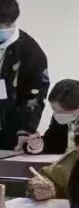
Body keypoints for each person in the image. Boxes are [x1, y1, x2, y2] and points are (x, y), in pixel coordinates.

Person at [0, 0, 49, 153]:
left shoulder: (30, 51)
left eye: (7, 25)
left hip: (9, 129)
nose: (3, 30)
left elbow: (35, 94)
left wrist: (25, 130)